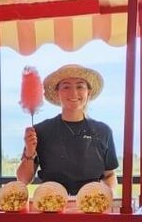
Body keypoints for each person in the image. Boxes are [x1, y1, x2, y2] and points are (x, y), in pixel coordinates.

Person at [16, 63, 118, 195]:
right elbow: (23, 179)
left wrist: (107, 196)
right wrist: (29, 152)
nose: (73, 92)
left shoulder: (103, 131)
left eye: (80, 86)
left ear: (89, 93)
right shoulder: (40, 131)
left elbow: (109, 175)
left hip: (91, 207)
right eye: (66, 87)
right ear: (57, 93)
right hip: (50, 206)